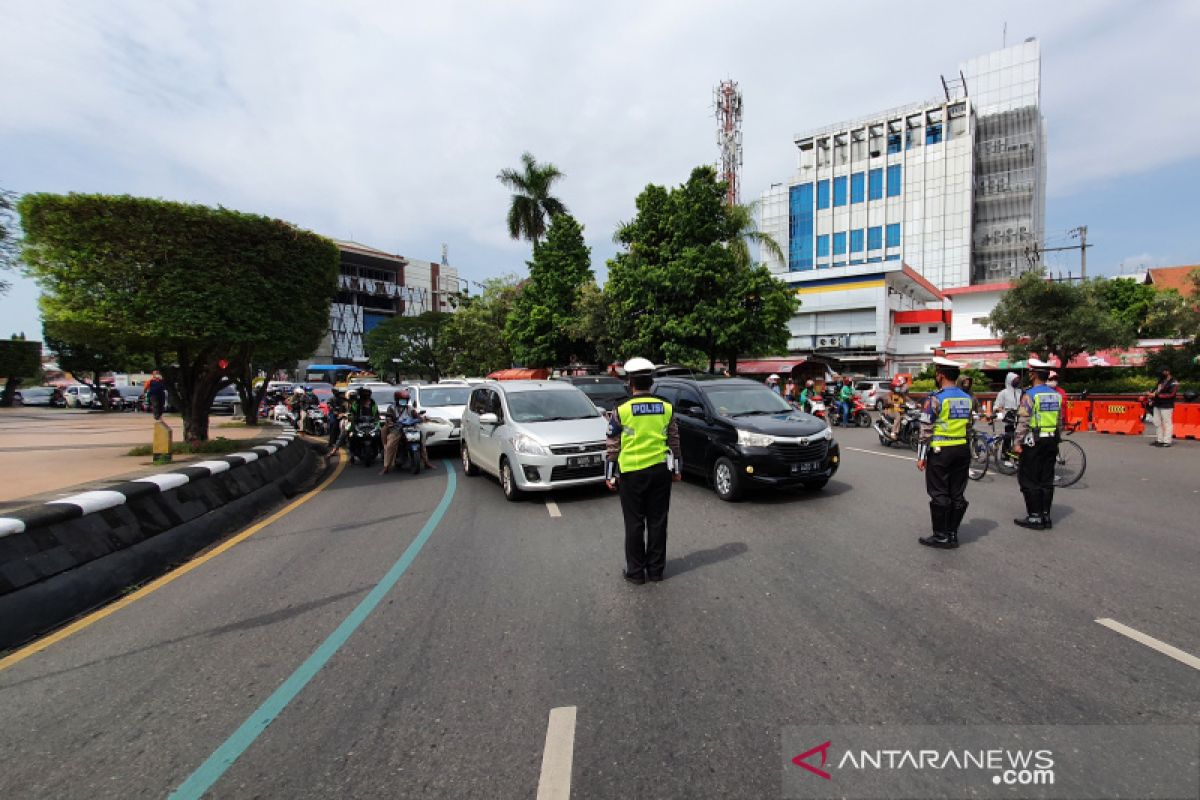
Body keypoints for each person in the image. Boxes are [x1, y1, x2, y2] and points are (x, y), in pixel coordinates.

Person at [605, 357, 682, 585]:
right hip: (660, 471)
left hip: (631, 473)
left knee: (635, 523)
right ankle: (656, 571)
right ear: (652, 383)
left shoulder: (621, 410)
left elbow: (612, 444)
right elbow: (674, 441)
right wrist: (677, 470)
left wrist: (609, 474)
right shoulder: (666, 407)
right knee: (658, 522)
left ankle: (636, 573)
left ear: (630, 383)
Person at [915, 358, 972, 549]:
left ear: (940, 375)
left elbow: (925, 430)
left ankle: (941, 536)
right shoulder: (967, 397)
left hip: (941, 451)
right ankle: (952, 533)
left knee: (939, 492)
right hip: (962, 449)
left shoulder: (935, 398)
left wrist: (921, 457)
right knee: (957, 493)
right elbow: (969, 426)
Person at [1012, 358, 1063, 529]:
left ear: (1033, 375)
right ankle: (1046, 516)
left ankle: (1034, 516)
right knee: (1046, 478)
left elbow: (1023, 421)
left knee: (1029, 478)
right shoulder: (1056, 394)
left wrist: (1017, 442)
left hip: (1034, 441)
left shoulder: (1030, 395)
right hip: (1051, 439)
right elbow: (1059, 420)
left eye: (1030, 372)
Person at [1149, 368, 1178, 447]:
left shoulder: (1173, 382)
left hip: (1167, 405)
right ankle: (1159, 440)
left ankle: (1167, 441)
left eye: (1163, 371)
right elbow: (1156, 390)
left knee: (1167, 423)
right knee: (1157, 422)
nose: (1161, 373)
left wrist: (1157, 395)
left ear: (1168, 371)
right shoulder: (1161, 381)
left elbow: (1171, 394)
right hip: (1157, 404)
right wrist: (1151, 393)